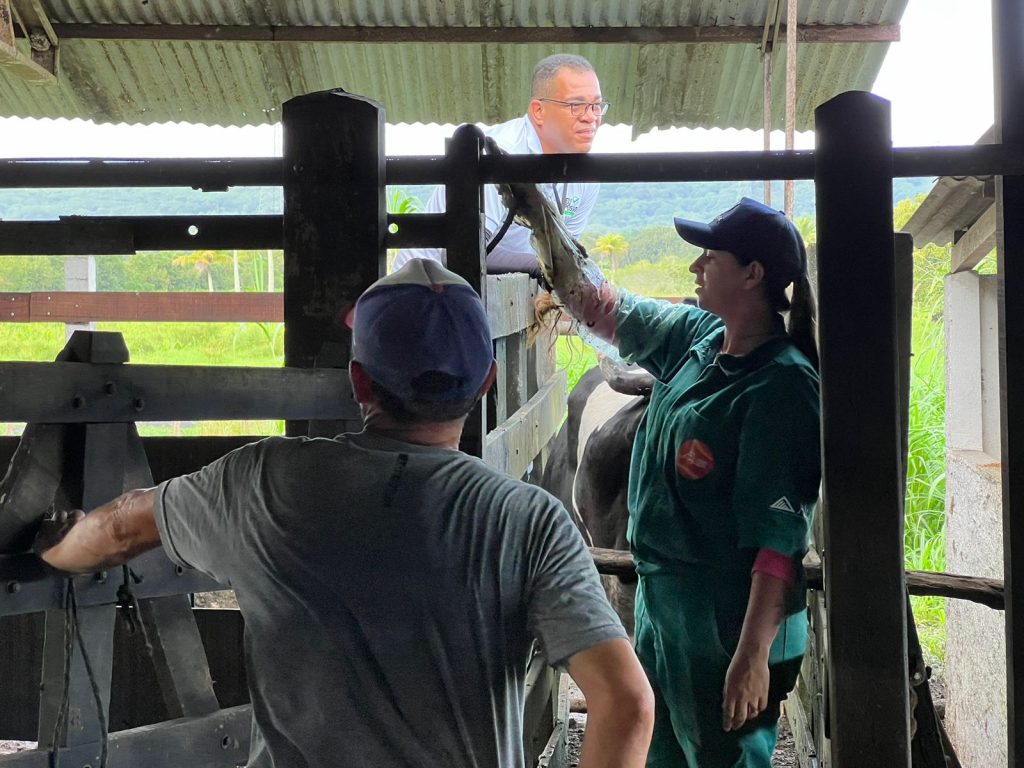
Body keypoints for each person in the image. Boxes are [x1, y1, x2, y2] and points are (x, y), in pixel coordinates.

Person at [34, 260, 655, 768]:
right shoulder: (530, 521)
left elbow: (119, 528)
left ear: (359, 382)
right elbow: (626, 704)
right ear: (487, 381)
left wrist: (55, 547)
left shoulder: (262, 481)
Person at [539, 198, 821, 767]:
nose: (695, 267)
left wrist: (752, 655)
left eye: (709, 257)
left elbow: (778, 543)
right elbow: (604, 308)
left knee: (722, 756)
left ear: (753, 273)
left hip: (728, 618)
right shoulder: (696, 337)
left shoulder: (782, 387)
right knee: (662, 754)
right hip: (664, 605)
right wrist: (546, 229)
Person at [393, 53, 605, 276]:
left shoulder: (587, 177)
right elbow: (467, 251)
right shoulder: (501, 155)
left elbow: (564, 254)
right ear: (538, 111)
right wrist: (540, 266)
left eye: (596, 105)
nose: (591, 117)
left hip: (501, 285)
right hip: (426, 282)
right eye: (576, 105)